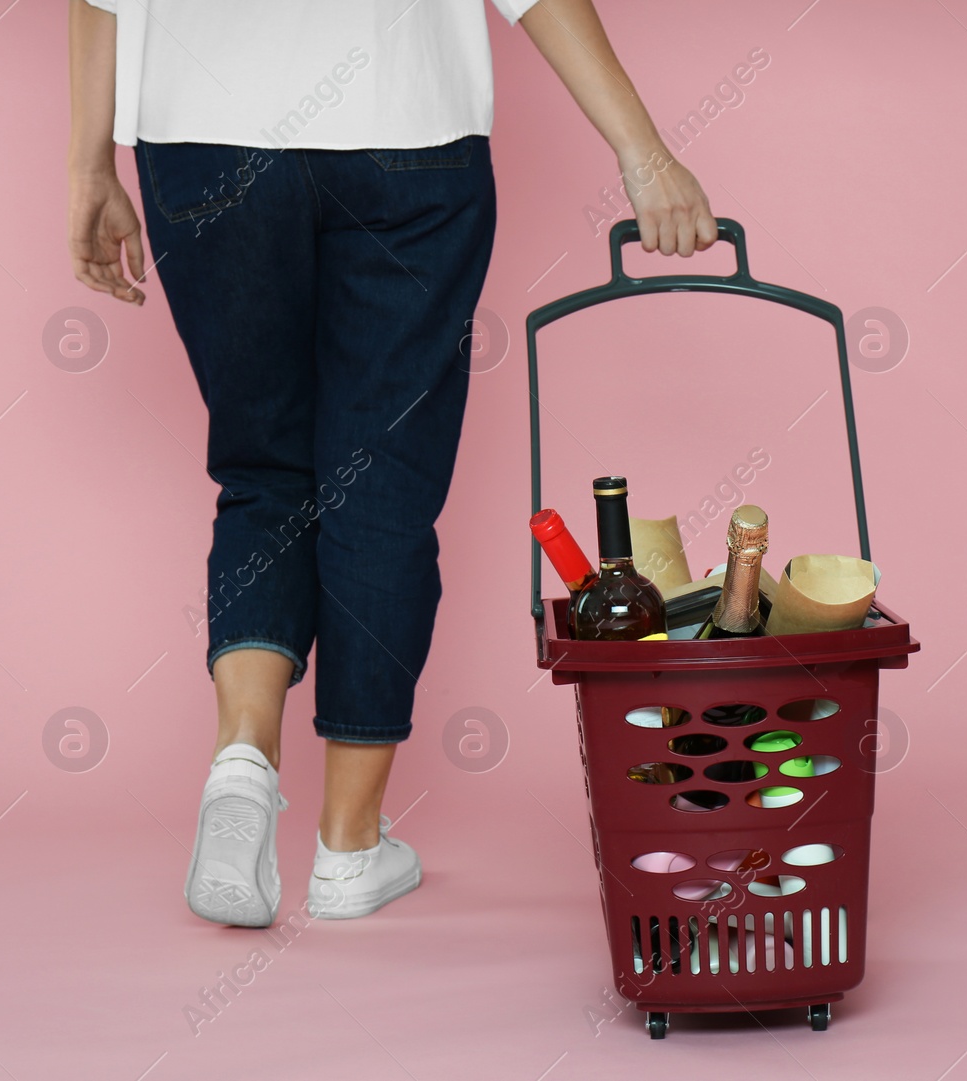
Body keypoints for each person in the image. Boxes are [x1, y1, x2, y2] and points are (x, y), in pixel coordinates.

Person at [67, 0, 716, 926]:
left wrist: (89, 161)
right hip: (407, 134)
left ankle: (242, 763)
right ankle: (348, 844)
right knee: (381, 484)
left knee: (263, 470)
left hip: (204, 142)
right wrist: (645, 155)